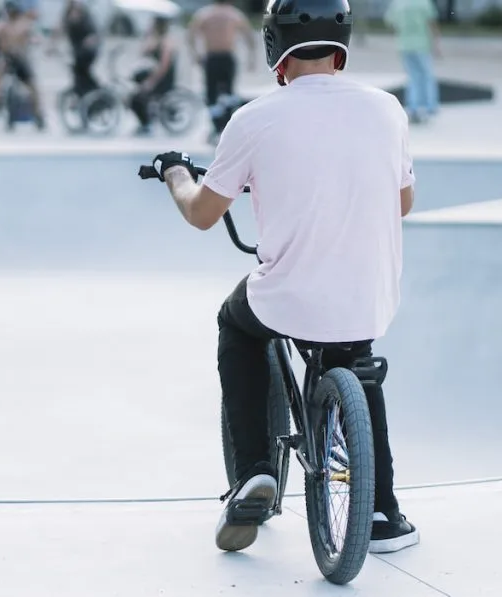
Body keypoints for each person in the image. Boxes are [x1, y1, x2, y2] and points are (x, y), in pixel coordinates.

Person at [145, 0, 420, 555]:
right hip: (368, 294)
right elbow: (404, 202)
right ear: (342, 43)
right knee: (355, 361)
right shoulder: (387, 110)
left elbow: (202, 213)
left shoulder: (254, 119)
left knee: (237, 324)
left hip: (288, 297)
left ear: (276, 46)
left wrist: (176, 173)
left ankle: (252, 471)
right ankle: (383, 512)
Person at [187, 0, 257, 140]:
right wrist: (251, 57)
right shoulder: (234, 14)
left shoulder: (205, 14)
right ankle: (224, 125)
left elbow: (190, 35)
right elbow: (249, 37)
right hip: (226, 57)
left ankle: (218, 126)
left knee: (212, 94)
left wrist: (195, 54)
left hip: (212, 58)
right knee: (227, 93)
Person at [0, 0, 46, 129]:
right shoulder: (1, 24)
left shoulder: (25, 24)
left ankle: (38, 114)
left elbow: (36, 37)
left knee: (32, 86)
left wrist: (34, 40)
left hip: (20, 58)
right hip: (5, 57)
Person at [384, 0, 440, 123]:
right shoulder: (424, 3)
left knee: (412, 77)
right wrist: (436, 44)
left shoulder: (398, 3)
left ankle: (413, 107)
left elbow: (391, 23)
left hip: (404, 45)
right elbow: (431, 23)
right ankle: (429, 106)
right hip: (422, 44)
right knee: (427, 76)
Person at [129, 16, 176, 136]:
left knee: (137, 98)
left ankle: (147, 123)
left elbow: (163, 66)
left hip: (162, 79)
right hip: (153, 76)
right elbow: (143, 53)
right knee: (134, 93)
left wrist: (151, 82)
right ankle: (145, 122)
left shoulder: (167, 42)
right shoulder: (155, 40)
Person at [49, 0, 101, 96]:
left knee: (79, 71)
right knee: (79, 73)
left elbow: (93, 34)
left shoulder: (79, 10)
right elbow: (58, 29)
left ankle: (92, 94)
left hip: (87, 50)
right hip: (78, 50)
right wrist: (51, 46)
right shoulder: (67, 12)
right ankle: (90, 94)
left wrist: (89, 41)